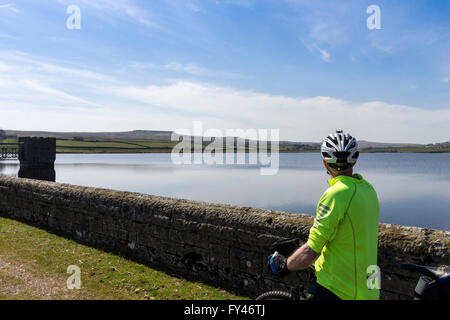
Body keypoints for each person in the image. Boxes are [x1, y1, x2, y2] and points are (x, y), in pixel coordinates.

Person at [268, 130, 380, 300]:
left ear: (325, 163)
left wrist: (285, 265)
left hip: (340, 289)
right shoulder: (368, 189)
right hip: (369, 289)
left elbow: (311, 252)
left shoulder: (337, 194)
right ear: (355, 160)